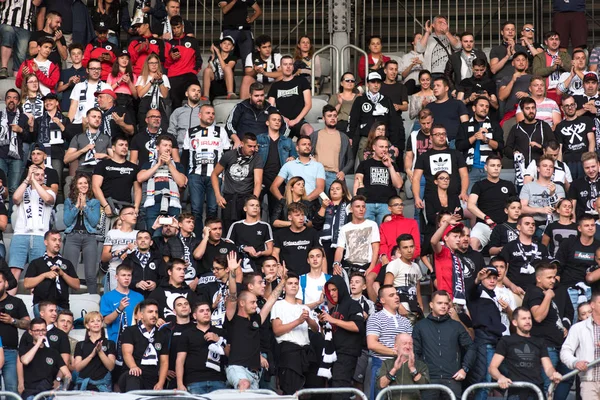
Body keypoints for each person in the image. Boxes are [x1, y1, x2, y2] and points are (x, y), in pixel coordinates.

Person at [224, 251, 285, 390]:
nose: (255, 305)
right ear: (242, 303)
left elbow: (270, 301)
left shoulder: (256, 320)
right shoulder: (232, 317)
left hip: (254, 373)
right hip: (237, 368)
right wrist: (232, 273)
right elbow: (233, 294)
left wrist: (283, 282)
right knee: (243, 384)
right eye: (252, 302)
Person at [522, 262, 574, 398]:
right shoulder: (534, 292)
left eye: (554, 277)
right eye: (549, 277)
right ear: (538, 278)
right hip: (545, 345)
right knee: (546, 385)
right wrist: (548, 297)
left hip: (558, 344)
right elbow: (538, 316)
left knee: (567, 376)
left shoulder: (548, 291)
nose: (553, 280)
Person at [412, 290, 475, 400]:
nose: (443, 306)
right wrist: (419, 373)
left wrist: (465, 369)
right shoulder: (420, 326)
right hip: (428, 379)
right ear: (431, 305)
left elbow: (471, 347)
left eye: (446, 303)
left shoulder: (456, 326)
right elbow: (415, 352)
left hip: (452, 378)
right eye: (439, 303)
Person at [489, 307, 562, 400]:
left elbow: (548, 367)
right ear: (515, 322)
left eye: (529, 318)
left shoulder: (539, 341)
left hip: (536, 392)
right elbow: (492, 368)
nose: (528, 321)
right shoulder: (506, 340)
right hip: (516, 392)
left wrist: (553, 374)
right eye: (523, 319)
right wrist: (500, 377)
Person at [181, 104, 230, 235]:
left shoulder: (221, 131)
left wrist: (225, 173)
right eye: (207, 113)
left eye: (213, 113)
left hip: (215, 176)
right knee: (196, 209)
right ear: (200, 115)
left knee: (213, 209)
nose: (211, 116)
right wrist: (183, 174)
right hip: (195, 175)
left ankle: (211, 237)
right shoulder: (190, 132)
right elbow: (185, 155)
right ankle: (196, 238)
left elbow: (226, 155)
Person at [9, 164, 56, 290]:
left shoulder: (49, 191)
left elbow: (47, 199)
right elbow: (15, 198)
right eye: (37, 175)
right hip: (20, 234)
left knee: (38, 273)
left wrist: (34, 181)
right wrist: (28, 179)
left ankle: (36, 306)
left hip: (40, 236)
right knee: (14, 270)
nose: (40, 177)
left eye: (42, 175)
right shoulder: (24, 189)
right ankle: (8, 305)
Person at [270, 272, 319, 395]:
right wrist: (298, 321)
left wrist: (307, 319)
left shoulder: (304, 308)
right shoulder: (278, 305)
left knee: (311, 391)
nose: (293, 286)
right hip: (289, 351)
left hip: (306, 352)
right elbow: (277, 330)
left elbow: (316, 329)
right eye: (290, 283)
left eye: (296, 284)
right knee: (291, 391)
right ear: (284, 287)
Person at [318, 275, 366, 399]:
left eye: (335, 289)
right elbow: (328, 333)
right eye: (330, 290)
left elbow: (357, 326)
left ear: (341, 288)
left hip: (347, 353)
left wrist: (332, 320)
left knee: (340, 391)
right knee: (333, 390)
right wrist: (323, 323)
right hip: (333, 354)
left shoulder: (353, 304)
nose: (332, 293)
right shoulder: (334, 308)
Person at [366, 285, 413, 399]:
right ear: (382, 300)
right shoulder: (375, 318)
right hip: (382, 365)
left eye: (396, 294)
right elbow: (372, 344)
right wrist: (396, 353)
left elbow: (410, 345)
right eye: (391, 295)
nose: (396, 297)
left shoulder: (405, 321)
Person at [468, 266, 507, 400]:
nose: (492, 281)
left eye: (494, 278)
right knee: (484, 381)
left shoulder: (494, 296)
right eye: (488, 278)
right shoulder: (479, 292)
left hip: (496, 341)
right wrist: (477, 280)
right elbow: (471, 292)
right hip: (484, 340)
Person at [413, 124, 469, 214]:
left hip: (454, 197)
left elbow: (464, 175)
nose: (442, 136)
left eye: (443, 134)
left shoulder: (456, 154)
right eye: (438, 134)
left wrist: (463, 192)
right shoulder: (424, 156)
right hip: (432, 199)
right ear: (431, 137)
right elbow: (416, 178)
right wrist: (416, 197)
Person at [137, 134, 187, 235]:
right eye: (165, 145)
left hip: (172, 203)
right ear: (157, 147)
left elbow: (181, 183)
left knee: (173, 236)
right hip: (153, 203)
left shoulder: (177, 166)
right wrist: (158, 165)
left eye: (170, 146)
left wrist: (169, 164)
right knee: (155, 235)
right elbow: (140, 178)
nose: (168, 148)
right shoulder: (148, 164)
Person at [211, 133, 263, 230]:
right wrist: (218, 196)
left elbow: (258, 182)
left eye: (254, 146)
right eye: (250, 146)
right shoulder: (229, 155)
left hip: (246, 197)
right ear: (242, 144)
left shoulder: (257, 158)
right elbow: (214, 174)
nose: (252, 149)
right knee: (229, 231)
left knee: (247, 230)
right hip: (229, 197)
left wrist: (253, 201)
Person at [333, 196, 380, 300]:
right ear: (351, 209)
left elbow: (376, 248)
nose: (361, 209)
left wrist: (371, 267)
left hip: (367, 266)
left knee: (368, 300)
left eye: (363, 206)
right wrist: (336, 263)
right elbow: (340, 249)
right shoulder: (345, 228)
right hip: (349, 266)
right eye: (358, 206)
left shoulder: (372, 224)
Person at [175, 302, 228, 394]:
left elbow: (229, 354)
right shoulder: (187, 334)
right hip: (195, 381)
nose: (206, 313)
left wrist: (218, 340)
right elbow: (180, 360)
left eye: (208, 310)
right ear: (195, 316)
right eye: (202, 311)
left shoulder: (220, 332)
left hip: (218, 380)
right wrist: (179, 383)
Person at [347, 71, 401, 160]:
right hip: (366, 138)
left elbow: (393, 122)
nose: (376, 85)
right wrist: (350, 136)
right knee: (365, 167)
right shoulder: (360, 100)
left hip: (384, 139)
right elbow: (353, 120)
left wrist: (395, 143)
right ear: (368, 84)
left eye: (378, 82)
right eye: (373, 82)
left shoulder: (386, 100)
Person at [467, 155, 517, 251]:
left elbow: (515, 205)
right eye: (492, 165)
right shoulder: (479, 185)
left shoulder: (508, 185)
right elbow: (470, 205)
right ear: (486, 168)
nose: (496, 168)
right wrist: (486, 218)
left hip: (505, 225)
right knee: (473, 241)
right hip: (484, 224)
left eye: (498, 166)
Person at [119, 298, 170, 391]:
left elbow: (164, 362)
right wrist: (133, 366)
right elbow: (127, 353)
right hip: (132, 374)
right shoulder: (130, 331)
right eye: (150, 312)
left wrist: (161, 383)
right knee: (133, 376)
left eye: (156, 312)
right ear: (141, 315)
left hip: (152, 377)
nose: (154, 315)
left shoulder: (162, 335)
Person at [23, 230, 80, 312]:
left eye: (59, 240)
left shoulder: (66, 263)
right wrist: (44, 275)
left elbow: (77, 286)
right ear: (46, 242)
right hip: (41, 306)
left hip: (62, 306)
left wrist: (62, 274)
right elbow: (26, 284)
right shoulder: (36, 263)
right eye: (54, 240)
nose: (57, 243)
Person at [63, 173, 101, 294]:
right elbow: (67, 221)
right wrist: (76, 206)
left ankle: (93, 302)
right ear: (75, 185)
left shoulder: (94, 202)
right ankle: (67, 302)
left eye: (86, 183)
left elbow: (94, 222)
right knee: (69, 273)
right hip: (72, 236)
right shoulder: (69, 201)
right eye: (80, 183)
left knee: (90, 274)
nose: (83, 185)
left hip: (89, 237)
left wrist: (84, 206)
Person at [257, 110, 298, 220]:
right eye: (274, 120)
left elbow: (295, 155)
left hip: (279, 179)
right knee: (255, 208)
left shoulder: (287, 141)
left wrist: (293, 158)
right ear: (267, 123)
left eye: (279, 120)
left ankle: (275, 235)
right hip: (262, 177)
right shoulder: (259, 139)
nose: (277, 122)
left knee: (276, 212)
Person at [353, 136, 403, 224]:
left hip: (386, 204)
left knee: (385, 234)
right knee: (367, 234)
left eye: (386, 147)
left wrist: (390, 166)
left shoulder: (393, 165)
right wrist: (356, 201)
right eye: (381, 147)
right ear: (374, 147)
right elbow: (357, 182)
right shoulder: (364, 164)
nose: (384, 149)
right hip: (367, 203)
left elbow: (398, 185)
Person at [18, 318, 72, 399]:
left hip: (48, 393)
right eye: (37, 330)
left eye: (43, 330)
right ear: (30, 332)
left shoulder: (53, 352)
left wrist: (62, 388)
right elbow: (25, 361)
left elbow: (67, 374)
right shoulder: (25, 349)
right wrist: (38, 343)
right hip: (30, 393)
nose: (40, 333)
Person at [456, 98, 504, 189]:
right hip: (470, 170)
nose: (484, 108)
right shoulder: (464, 126)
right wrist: (475, 136)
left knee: (489, 200)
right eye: (481, 106)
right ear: (474, 108)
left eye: (487, 106)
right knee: (470, 200)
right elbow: (459, 146)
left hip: (489, 169)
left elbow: (500, 146)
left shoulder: (494, 125)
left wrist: (486, 139)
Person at [31, 92, 70, 202]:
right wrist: (30, 127)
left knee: (56, 182)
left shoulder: (64, 119)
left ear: (57, 102)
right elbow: (33, 137)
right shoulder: (39, 120)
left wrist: (61, 125)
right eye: (46, 101)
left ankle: (58, 209)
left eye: (51, 100)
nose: (48, 102)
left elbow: (70, 137)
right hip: (41, 154)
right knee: (37, 182)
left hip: (56, 155)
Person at [555, 215, 599, 314]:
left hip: (591, 289)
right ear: (579, 228)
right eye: (587, 225)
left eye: (593, 225)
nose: (591, 228)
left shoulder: (598, 247)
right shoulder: (568, 243)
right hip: (568, 287)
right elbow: (558, 264)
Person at [560, 292, 600, 399]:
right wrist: (575, 362)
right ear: (592, 305)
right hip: (588, 382)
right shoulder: (578, 328)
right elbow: (565, 351)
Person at [93, 136, 142, 220]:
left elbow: (137, 189)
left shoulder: (134, 167)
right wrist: (105, 205)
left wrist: (136, 207)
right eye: (121, 145)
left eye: (126, 145)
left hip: (126, 207)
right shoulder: (102, 165)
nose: (124, 147)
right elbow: (95, 187)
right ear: (113, 148)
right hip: (107, 205)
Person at [500, 214, 552, 294]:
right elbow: (500, 273)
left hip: (537, 292)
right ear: (519, 227)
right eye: (527, 224)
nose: (531, 226)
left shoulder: (542, 248)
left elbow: (547, 271)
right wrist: (512, 286)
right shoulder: (509, 247)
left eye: (533, 224)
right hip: (514, 291)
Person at [225, 82, 285, 147]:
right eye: (256, 96)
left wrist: (276, 141)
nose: (260, 98)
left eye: (262, 95)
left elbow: (284, 126)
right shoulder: (240, 107)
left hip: (265, 147)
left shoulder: (271, 109)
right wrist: (236, 140)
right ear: (250, 95)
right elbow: (229, 125)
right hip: (243, 145)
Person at [270, 136, 325, 206]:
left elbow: (320, 189)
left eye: (309, 144)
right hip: (292, 204)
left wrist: (304, 201)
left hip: (311, 203)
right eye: (304, 144)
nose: (307, 146)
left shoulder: (318, 166)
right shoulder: (288, 165)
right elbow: (273, 187)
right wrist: (283, 201)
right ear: (297, 148)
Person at [0, 270, 31, 393]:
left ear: (6, 283)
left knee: (12, 389)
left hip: (11, 352)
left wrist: (12, 320)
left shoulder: (16, 302)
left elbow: (29, 324)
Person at [267, 55, 313, 138]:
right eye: (285, 64)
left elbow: (308, 104)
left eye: (290, 64)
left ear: (293, 66)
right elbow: (270, 107)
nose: (288, 67)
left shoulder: (302, 81)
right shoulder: (275, 86)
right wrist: (282, 118)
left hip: (299, 120)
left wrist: (296, 120)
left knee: (309, 130)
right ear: (280, 67)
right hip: (281, 122)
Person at [312, 180, 352, 273]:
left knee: (339, 272)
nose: (334, 191)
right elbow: (316, 224)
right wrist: (323, 207)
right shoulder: (323, 205)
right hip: (325, 243)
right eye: (332, 189)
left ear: (343, 192)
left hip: (343, 244)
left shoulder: (348, 206)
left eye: (338, 189)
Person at [226, 195, 274, 273]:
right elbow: (228, 247)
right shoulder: (236, 225)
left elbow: (270, 250)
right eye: (252, 205)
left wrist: (261, 253)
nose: (255, 207)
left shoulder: (265, 226)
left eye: (257, 206)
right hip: (239, 266)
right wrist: (243, 248)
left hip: (259, 265)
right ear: (245, 208)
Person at [520, 154, 566, 236]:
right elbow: (522, 208)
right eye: (545, 166)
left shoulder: (558, 188)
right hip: (534, 224)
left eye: (551, 167)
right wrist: (540, 210)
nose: (548, 168)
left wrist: (552, 195)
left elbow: (562, 209)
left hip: (554, 225)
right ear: (538, 169)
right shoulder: (528, 186)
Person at [505, 97, 556, 169]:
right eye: (527, 108)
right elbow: (507, 149)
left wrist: (540, 146)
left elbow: (553, 146)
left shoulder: (544, 126)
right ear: (522, 110)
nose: (531, 111)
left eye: (533, 108)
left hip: (540, 169)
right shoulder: (516, 128)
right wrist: (514, 153)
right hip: (521, 169)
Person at [310, 106, 354, 190]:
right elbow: (307, 154)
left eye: (334, 115)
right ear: (323, 118)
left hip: (334, 175)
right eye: (329, 116)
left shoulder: (343, 137)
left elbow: (351, 159)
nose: (333, 118)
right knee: (317, 202)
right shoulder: (315, 135)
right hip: (317, 174)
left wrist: (343, 172)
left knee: (333, 202)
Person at [377, 333, 430, 399]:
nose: (408, 347)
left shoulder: (421, 365)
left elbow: (425, 386)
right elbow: (381, 385)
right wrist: (394, 370)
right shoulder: (387, 363)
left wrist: (413, 369)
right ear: (396, 346)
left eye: (410, 344)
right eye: (404, 343)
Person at [73, 311, 117, 392]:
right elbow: (77, 368)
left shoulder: (110, 344)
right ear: (87, 325)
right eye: (92, 321)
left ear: (102, 323)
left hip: (103, 386)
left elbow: (111, 367)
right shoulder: (80, 345)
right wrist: (91, 355)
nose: (96, 323)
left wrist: (100, 352)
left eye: (98, 321)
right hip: (83, 385)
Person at [164, 16, 202, 109]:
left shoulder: (192, 41)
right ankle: (176, 122)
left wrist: (193, 71)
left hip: (189, 74)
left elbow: (199, 60)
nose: (176, 30)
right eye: (174, 28)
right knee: (175, 101)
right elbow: (166, 64)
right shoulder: (169, 43)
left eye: (178, 27)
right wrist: (171, 58)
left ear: (183, 26)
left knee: (195, 94)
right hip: (174, 76)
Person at [66, 59, 111, 137]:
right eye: (93, 68)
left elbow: (109, 108)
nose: (96, 71)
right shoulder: (79, 86)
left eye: (98, 69)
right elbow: (73, 106)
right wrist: (68, 125)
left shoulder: (106, 87)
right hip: (79, 123)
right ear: (87, 70)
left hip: (99, 125)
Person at [272, 202, 320, 275]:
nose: (301, 218)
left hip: (308, 275)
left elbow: (321, 254)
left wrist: (324, 276)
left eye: (302, 215)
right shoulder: (280, 234)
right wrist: (278, 266)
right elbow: (275, 252)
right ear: (290, 217)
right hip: (287, 276)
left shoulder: (312, 233)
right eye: (297, 215)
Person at [0, 89, 30, 203]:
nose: (11, 100)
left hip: (16, 157)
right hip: (1, 155)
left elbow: (29, 138)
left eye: (15, 98)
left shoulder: (23, 118)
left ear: (18, 102)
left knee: (14, 188)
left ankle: (11, 218)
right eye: (9, 97)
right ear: (5, 100)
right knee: (0, 188)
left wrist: (20, 130)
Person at [555, 95, 595, 180]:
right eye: (567, 106)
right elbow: (560, 149)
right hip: (569, 163)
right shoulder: (559, 127)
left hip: (584, 160)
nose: (570, 108)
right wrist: (560, 167)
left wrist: (590, 159)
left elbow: (591, 141)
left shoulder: (586, 120)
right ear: (562, 108)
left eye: (572, 104)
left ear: (576, 105)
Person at [383, 234, 425, 315]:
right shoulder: (394, 264)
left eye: (411, 246)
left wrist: (421, 307)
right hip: (399, 308)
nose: (409, 250)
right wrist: (399, 307)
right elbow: (387, 289)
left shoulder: (416, 266)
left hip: (414, 307)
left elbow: (417, 290)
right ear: (399, 250)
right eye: (405, 247)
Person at [101, 205, 139, 291]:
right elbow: (104, 258)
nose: (135, 216)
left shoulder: (138, 234)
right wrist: (115, 253)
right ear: (122, 217)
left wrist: (134, 250)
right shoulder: (112, 233)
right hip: (115, 271)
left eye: (136, 214)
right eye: (131, 213)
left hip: (133, 272)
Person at [64, 107, 113, 175]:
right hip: (82, 173)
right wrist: (82, 150)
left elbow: (116, 160)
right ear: (87, 119)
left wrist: (106, 156)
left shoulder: (107, 138)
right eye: (94, 117)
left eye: (99, 117)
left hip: (101, 173)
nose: (97, 119)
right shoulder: (78, 137)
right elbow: (66, 159)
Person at [532, 31, 572, 104]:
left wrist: (562, 64)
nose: (554, 42)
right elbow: (536, 72)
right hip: (546, 92)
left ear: (559, 42)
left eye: (556, 39)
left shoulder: (565, 55)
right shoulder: (539, 57)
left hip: (564, 92)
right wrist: (552, 68)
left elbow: (572, 70)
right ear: (546, 42)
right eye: (551, 39)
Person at [122, 230, 165, 298]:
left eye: (146, 238)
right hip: (133, 297)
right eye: (140, 238)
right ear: (136, 242)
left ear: (151, 242)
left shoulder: (158, 258)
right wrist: (136, 284)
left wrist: (156, 284)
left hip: (154, 297)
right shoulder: (128, 259)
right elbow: (122, 278)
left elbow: (165, 277)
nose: (142, 240)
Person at [135, 53, 171, 132]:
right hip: (145, 103)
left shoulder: (164, 77)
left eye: (156, 63)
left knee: (163, 126)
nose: (154, 65)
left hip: (159, 102)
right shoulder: (142, 77)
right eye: (151, 63)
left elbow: (165, 95)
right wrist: (151, 81)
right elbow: (140, 94)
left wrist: (160, 81)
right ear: (147, 64)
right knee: (143, 127)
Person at [219, 0, 261, 66]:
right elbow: (224, 10)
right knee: (227, 56)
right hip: (230, 30)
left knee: (247, 57)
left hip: (244, 30)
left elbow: (258, 11)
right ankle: (227, 75)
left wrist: (251, 18)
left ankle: (247, 75)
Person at [239, 34, 282, 99]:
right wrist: (255, 71)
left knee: (282, 77)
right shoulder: (251, 56)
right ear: (258, 48)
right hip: (256, 86)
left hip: (273, 85)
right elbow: (247, 73)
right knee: (246, 78)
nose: (268, 49)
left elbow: (282, 72)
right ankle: (244, 106)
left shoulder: (276, 56)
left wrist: (264, 73)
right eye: (264, 47)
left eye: (269, 46)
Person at [498, 51, 532, 126]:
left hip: (529, 114)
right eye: (518, 60)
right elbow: (501, 97)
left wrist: (528, 95)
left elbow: (540, 95)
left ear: (527, 63)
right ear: (513, 63)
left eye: (523, 60)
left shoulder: (532, 78)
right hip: (511, 115)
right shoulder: (506, 79)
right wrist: (513, 80)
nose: (521, 62)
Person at [107, 49, 138, 123]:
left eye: (127, 58)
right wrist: (119, 81)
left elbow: (136, 96)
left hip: (128, 100)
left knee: (129, 122)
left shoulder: (133, 76)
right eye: (122, 58)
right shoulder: (111, 74)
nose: (125, 60)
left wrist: (129, 82)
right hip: (115, 99)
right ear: (117, 59)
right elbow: (108, 91)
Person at [168, 82, 202, 149]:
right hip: (181, 148)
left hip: (200, 148)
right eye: (193, 90)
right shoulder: (178, 111)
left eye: (199, 91)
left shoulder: (205, 112)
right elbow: (171, 132)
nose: (196, 93)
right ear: (186, 93)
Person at [202, 36, 237, 101]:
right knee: (207, 70)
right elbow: (208, 71)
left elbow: (225, 68)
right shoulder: (214, 57)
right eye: (224, 43)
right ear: (220, 45)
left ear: (232, 48)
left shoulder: (233, 58)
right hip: (215, 84)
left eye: (229, 44)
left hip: (226, 85)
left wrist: (218, 53)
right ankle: (206, 96)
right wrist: (213, 55)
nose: (226, 45)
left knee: (227, 68)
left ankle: (230, 93)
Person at [568, 151, 600, 219]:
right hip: (583, 222)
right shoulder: (575, 184)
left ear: (598, 165)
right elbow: (572, 210)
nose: (591, 170)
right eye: (587, 168)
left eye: (593, 166)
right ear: (583, 167)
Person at [57, 44, 87, 113]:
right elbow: (58, 89)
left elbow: (91, 88)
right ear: (70, 57)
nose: (76, 56)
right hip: (67, 107)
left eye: (78, 53)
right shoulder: (64, 72)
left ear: (83, 56)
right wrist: (68, 83)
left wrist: (80, 83)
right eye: (73, 54)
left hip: (83, 108)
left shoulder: (87, 72)